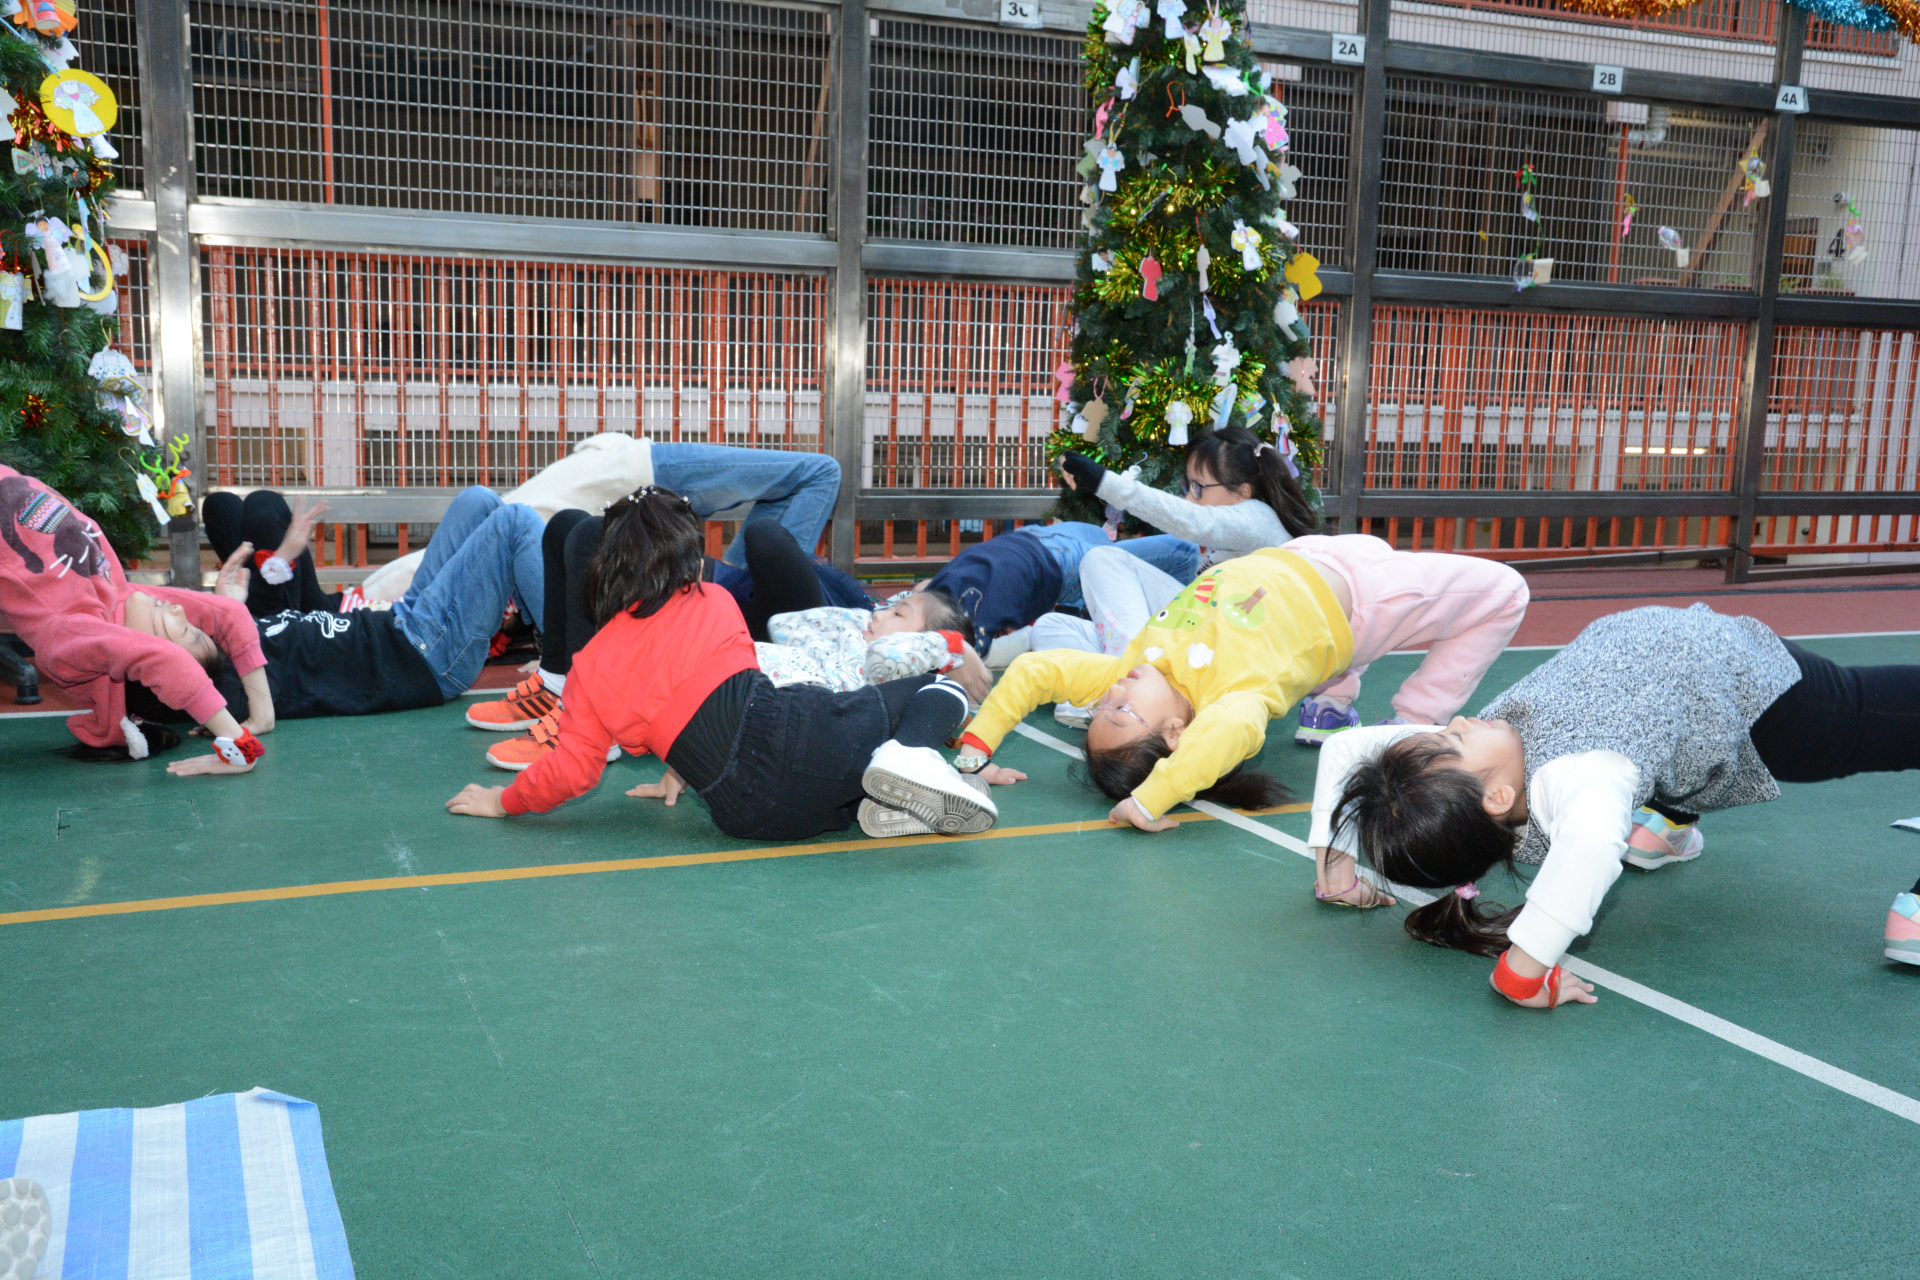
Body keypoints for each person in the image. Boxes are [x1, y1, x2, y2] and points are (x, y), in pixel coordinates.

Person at [1310, 604, 1920, 1008]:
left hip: (1674, 678)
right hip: (1754, 694)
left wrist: (1335, 868)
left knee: (1645, 761)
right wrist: (1523, 971)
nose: (1461, 721)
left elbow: (1348, 747)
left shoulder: (1478, 765)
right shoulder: (1586, 777)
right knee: (1878, 710)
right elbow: (1590, 847)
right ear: (1496, 797)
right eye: (1456, 738)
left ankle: (1668, 823)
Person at [445, 487, 1014, 841]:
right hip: (804, 742)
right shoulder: (712, 599)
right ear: (690, 562)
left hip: (748, 815)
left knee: (827, 775)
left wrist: (502, 802)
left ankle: (886, 801)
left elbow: (575, 771)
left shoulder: (590, 668)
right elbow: (735, 702)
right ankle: (910, 758)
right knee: (933, 686)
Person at [950, 536, 1528, 836]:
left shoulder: (1130, 669)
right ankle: (1409, 725)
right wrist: (1150, 798)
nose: (1111, 695)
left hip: (1299, 554)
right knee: (1504, 592)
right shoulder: (1233, 703)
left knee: (1311, 658)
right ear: (1175, 733)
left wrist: (976, 748)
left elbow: (1036, 672)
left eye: (1102, 706)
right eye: (1121, 713)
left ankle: (1331, 698)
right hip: (1368, 598)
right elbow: (1223, 740)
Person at [472, 516, 988, 771]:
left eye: (901, 608)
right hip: (752, 608)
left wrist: (954, 650)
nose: (887, 607)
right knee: (566, 527)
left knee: (591, 537)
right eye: (896, 599)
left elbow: (917, 678)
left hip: (753, 636)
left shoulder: (885, 658)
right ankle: (558, 681)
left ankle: (587, 718)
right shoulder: (861, 610)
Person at [1047, 427, 1336, 733]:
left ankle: (1130, 688)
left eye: (1198, 487)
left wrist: (1104, 482)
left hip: (1227, 651)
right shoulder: (1237, 526)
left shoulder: (1258, 516)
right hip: (1200, 634)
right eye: (1187, 485)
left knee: (1101, 560)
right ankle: (1111, 688)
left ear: (1243, 491)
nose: (1188, 497)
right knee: (1052, 626)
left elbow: (1191, 520)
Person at [0, 463, 272, 776]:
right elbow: (229, 613)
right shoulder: (119, 596)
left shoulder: (71, 634)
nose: (180, 611)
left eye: (185, 630)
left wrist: (240, 748)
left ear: (139, 663)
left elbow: (169, 662)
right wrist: (262, 714)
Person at [206, 486, 549, 720]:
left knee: (478, 499)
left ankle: (544, 641)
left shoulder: (240, 629)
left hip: (401, 622)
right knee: (515, 522)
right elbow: (248, 717)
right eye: (187, 632)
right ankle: (564, 668)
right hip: (423, 655)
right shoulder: (240, 675)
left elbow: (270, 604)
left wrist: (281, 557)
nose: (181, 611)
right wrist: (221, 721)